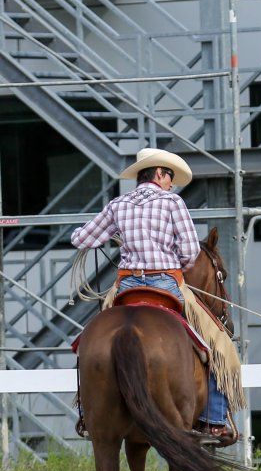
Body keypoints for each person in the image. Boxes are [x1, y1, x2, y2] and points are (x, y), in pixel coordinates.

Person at [70, 148, 234, 440]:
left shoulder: (118, 204)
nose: (171, 183)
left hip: (127, 288)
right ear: (159, 173)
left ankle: (86, 413)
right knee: (217, 343)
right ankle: (214, 419)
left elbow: (81, 239)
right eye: (170, 176)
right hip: (167, 285)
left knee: (90, 343)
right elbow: (190, 252)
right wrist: (175, 262)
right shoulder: (172, 202)